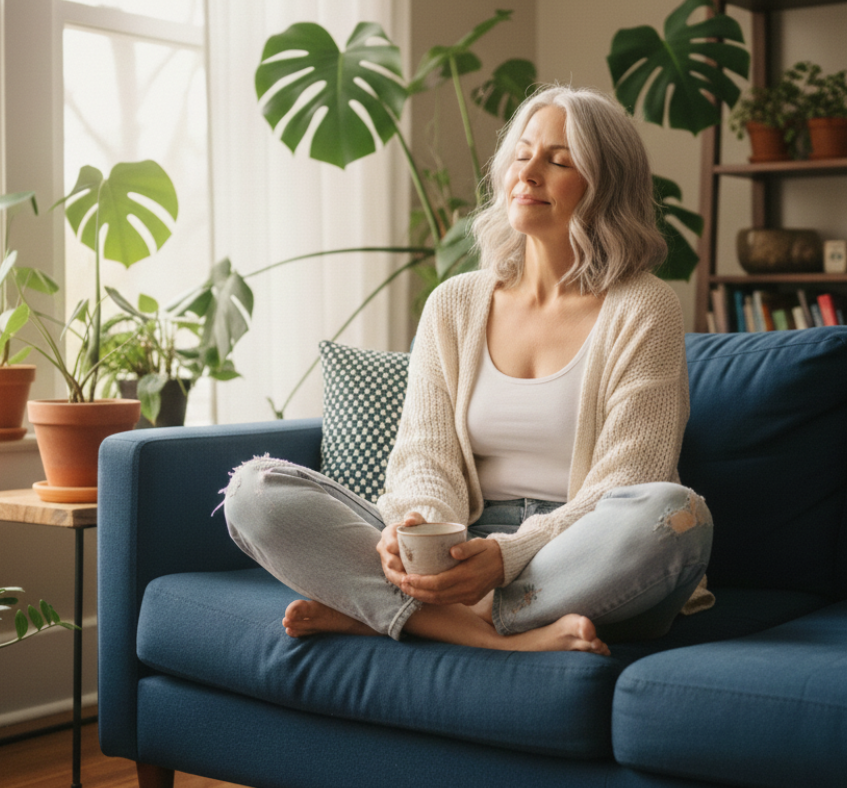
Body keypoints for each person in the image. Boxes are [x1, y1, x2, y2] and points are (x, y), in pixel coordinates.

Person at [222, 85, 714, 656]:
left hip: (578, 547)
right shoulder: (454, 303)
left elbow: (629, 480)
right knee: (254, 490)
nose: (527, 173)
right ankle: (488, 632)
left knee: (675, 515)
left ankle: (393, 613)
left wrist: (506, 559)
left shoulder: (644, 306)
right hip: (459, 544)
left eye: (558, 161)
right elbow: (424, 455)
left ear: (606, 188)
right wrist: (418, 535)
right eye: (522, 154)